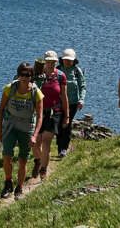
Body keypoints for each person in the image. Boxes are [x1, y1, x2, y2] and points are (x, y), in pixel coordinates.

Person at [0, 62, 43, 199]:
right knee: (7, 156)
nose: (25, 77)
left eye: (28, 75)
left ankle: (19, 188)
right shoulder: (9, 89)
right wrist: (0, 130)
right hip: (10, 126)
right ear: (18, 75)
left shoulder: (37, 93)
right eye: (22, 74)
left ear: (32, 76)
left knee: (23, 160)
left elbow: (40, 116)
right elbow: (0, 111)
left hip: (26, 128)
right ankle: (8, 182)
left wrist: (35, 135)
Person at [31, 50, 69, 180]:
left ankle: (43, 169)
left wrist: (67, 116)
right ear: (44, 62)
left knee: (46, 140)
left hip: (54, 112)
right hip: (38, 112)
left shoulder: (60, 76)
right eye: (48, 62)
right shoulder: (37, 75)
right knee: (36, 142)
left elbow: (64, 96)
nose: (51, 64)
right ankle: (37, 160)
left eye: (53, 62)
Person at [57, 48, 87, 157]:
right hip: (59, 102)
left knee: (67, 124)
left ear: (74, 60)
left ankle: (64, 148)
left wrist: (81, 100)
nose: (68, 62)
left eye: (70, 60)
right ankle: (59, 146)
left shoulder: (76, 71)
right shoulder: (58, 70)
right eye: (66, 60)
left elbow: (82, 86)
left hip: (73, 103)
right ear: (62, 60)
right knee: (60, 124)